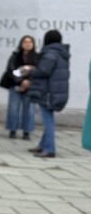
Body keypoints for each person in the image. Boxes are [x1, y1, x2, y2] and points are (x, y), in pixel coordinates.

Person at [26, 29, 70, 158]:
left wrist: (30, 71)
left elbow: (44, 71)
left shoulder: (50, 53)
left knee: (47, 119)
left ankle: (49, 149)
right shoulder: (61, 53)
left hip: (47, 91)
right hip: (55, 91)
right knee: (48, 117)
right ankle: (43, 145)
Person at [1, 35, 38, 140]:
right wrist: (20, 81)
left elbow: (39, 71)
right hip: (15, 84)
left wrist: (28, 81)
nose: (27, 44)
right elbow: (10, 69)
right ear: (21, 44)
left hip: (30, 86)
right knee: (13, 107)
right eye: (25, 42)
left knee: (29, 109)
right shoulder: (15, 56)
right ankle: (12, 130)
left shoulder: (37, 57)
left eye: (30, 42)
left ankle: (27, 132)